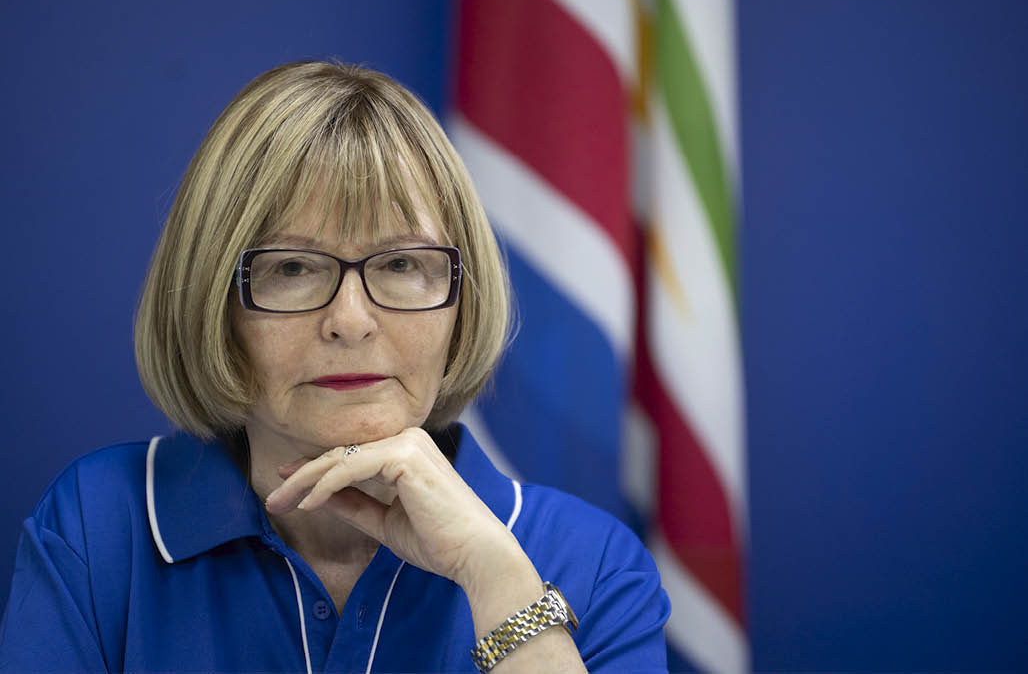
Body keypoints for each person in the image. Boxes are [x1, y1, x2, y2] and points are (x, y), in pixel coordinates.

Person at [0, 61, 669, 672]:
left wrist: (492, 572)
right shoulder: (96, 525)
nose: (351, 319)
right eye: (292, 267)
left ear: (462, 299)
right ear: (214, 299)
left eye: (402, 263)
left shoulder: (594, 560)